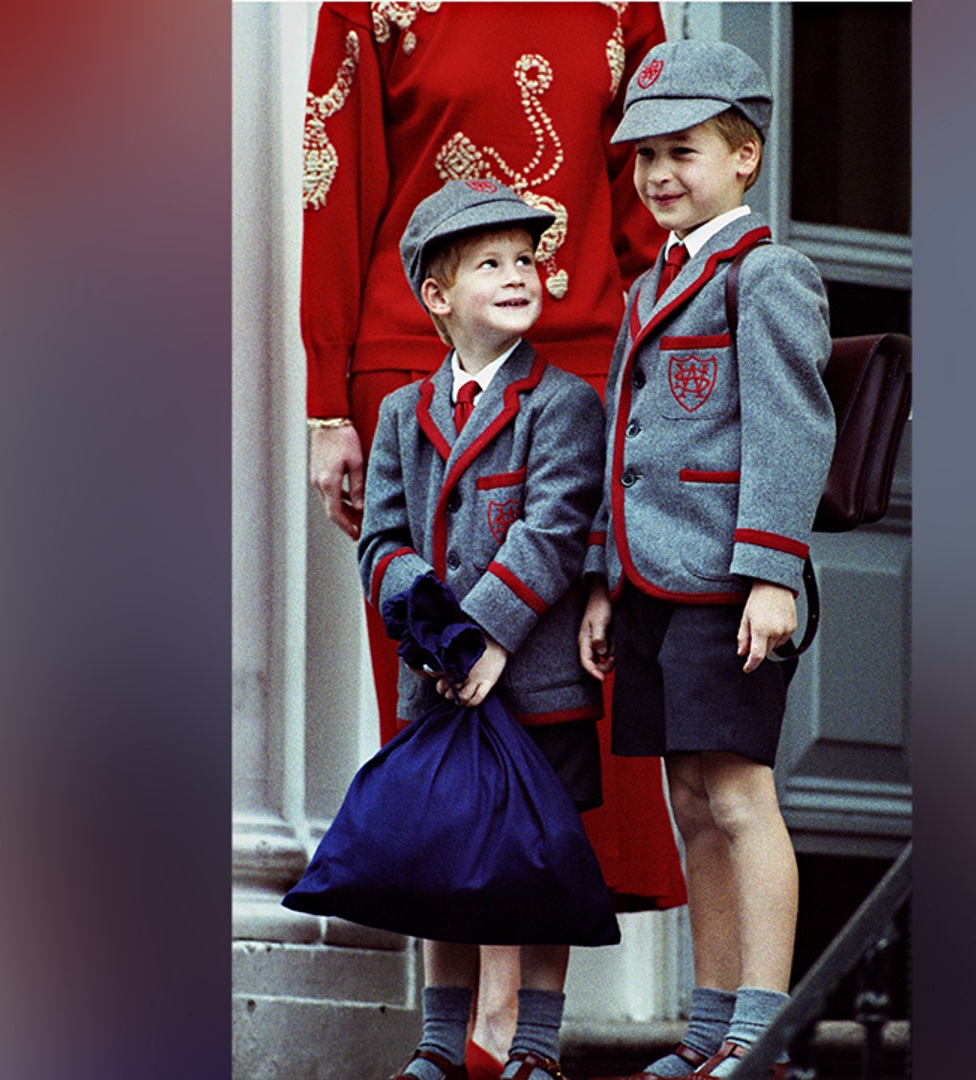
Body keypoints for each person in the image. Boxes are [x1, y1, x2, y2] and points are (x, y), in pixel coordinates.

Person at [299, 4, 687, 1066]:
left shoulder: (624, 6)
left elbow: (648, 197)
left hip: (590, 362)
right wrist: (328, 401)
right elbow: (334, 184)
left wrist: (667, 375)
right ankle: (462, 1030)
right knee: (442, 727)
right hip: (413, 358)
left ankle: (516, 1030)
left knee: (560, 717)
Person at [578, 41, 835, 1080]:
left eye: (681, 151)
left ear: (745, 157)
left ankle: (759, 1031)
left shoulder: (767, 275)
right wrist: (602, 579)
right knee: (689, 802)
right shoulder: (651, 286)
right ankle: (709, 1028)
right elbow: (622, 440)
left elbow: (791, 427)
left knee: (738, 796)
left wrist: (772, 572)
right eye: (644, 156)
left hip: (729, 586)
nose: (657, 175)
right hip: (650, 584)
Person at [359, 180, 609, 1080]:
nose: (518, 275)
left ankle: (535, 1047)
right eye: (491, 264)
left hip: (536, 677)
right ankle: (439, 1042)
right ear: (437, 295)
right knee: (443, 857)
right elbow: (381, 538)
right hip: (439, 679)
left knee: (542, 860)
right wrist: (433, 631)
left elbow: (554, 528)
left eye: (527, 259)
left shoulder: (565, 403)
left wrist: (487, 635)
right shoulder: (402, 413)